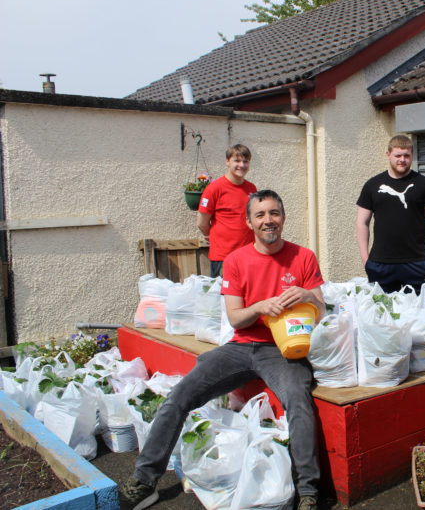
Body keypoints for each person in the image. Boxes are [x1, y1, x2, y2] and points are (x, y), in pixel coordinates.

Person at [121, 190, 325, 510]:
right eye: (260, 215)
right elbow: (236, 318)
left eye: (274, 213)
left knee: (299, 400)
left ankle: (308, 492)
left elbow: (322, 311)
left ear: (283, 218)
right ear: (248, 222)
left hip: (283, 350)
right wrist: (261, 307)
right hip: (241, 347)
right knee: (180, 395)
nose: (268, 220)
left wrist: (308, 295)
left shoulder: (304, 257)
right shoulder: (236, 261)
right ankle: (145, 481)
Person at [356, 134, 425, 293]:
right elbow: (362, 223)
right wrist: (366, 260)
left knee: (417, 315)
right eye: (398, 155)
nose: (402, 159)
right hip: (380, 263)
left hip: (417, 263)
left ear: (412, 156)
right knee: (383, 313)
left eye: (406, 155)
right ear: (388, 154)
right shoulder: (372, 185)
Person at [197, 144, 258, 278]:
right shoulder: (214, 188)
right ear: (227, 162)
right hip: (223, 257)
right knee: (224, 297)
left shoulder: (252, 188)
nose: (241, 165)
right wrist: (212, 236)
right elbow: (202, 222)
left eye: (245, 161)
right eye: (237, 160)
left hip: (248, 255)